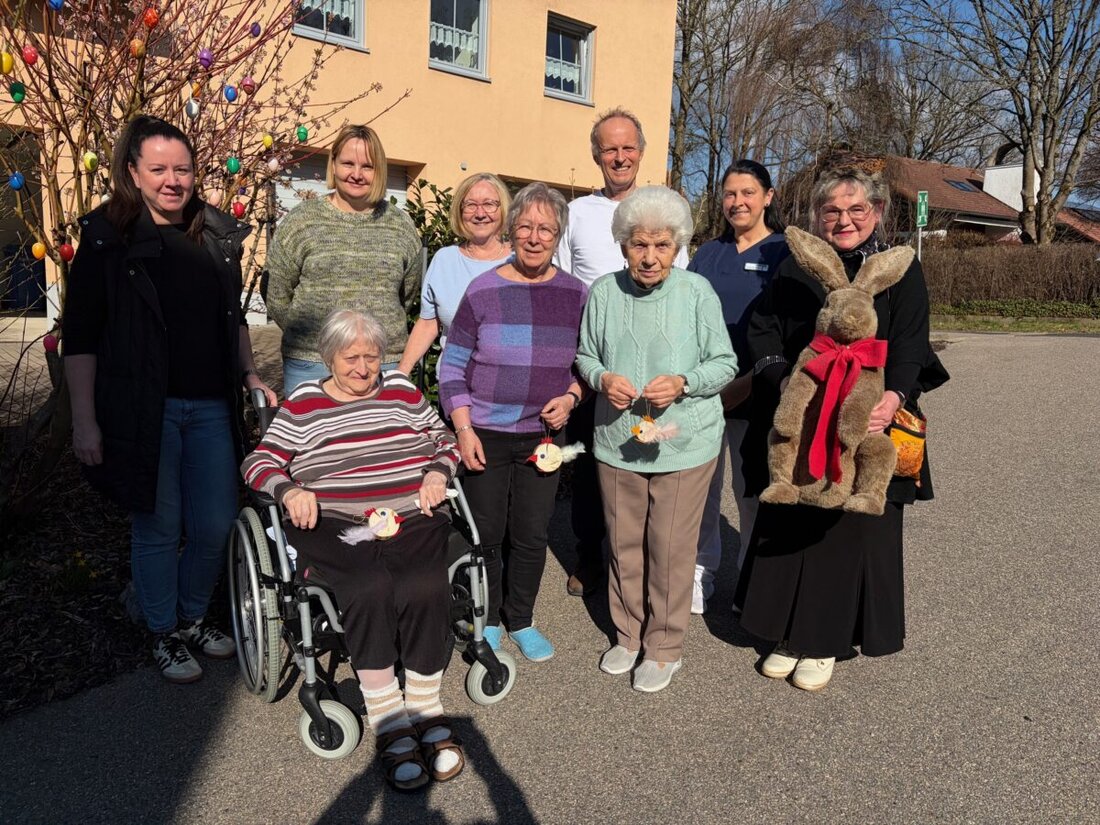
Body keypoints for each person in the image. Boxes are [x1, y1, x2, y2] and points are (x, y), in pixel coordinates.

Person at [63, 115, 276, 684]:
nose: (172, 180)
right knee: (159, 525)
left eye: (182, 169)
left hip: (210, 407)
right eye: (158, 169)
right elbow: (80, 337)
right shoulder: (107, 239)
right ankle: (162, 631)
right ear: (133, 172)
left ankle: (189, 619)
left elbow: (232, 320)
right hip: (142, 410)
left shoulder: (216, 236)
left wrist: (250, 375)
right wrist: (84, 420)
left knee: (215, 523)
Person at [737, 168, 948, 692]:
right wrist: (783, 380)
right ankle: (787, 633)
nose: (844, 220)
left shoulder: (899, 270)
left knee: (849, 528)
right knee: (794, 521)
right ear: (817, 217)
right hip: (806, 417)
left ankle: (825, 639)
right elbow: (763, 330)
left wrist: (893, 397)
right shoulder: (795, 267)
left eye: (856, 210)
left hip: (868, 416)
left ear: (877, 213)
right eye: (831, 210)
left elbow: (911, 342)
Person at [242, 310, 464, 791]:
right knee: (367, 586)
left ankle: (425, 707)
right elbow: (259, 462)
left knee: (425, 583)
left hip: (410, 512)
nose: (363, 368)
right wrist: (288, 490)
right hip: (336, 521)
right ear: (329, 358)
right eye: (351, 358)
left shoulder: (401, 390)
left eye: (371, 357)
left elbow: (445, 439)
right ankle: (389, 721)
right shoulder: (304, 402)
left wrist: (437, 471)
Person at [575, 186, 737, 693]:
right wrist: (602, 378)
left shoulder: (697, 292)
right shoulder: (604, 292)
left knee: (669, 548)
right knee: (623, 543)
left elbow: (725, 363)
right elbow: (585, 356)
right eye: (639, 244)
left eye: (662, 245)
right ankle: (628, 634)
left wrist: (684, 382)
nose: (649, 257)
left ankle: (664, 646)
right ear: (623, 244)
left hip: (683, 442)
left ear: (677, 246)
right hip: (617, 440)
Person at [438, 182, 587, 663]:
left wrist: (571, 397)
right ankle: (487, 618)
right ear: (511, 229)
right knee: (486, 534)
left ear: (558, 236)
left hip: (544, 436)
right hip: (485, 433)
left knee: (531, 533)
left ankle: (520, 618)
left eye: (546, 229)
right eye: (526, 226)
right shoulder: (483, 290)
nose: (535, 237)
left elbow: (588, 366)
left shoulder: (576, 294)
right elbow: (452, 366)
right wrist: (463, 429)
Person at [554, 107, 689, 598]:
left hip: (653, 360)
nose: (619, 156)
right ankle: (592, 555)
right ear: (596, 155)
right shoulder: (576, 214)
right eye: (609, 148)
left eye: (628, 147)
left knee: (650, 458)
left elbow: (682, 283)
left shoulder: (665, 207)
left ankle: (646, 560)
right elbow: (563, 285)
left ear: (642, 152)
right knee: (593, 467)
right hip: (595, 362)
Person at [688, 160, 789, 614]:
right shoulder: (708, 254)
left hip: (756, 393)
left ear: (768, 196)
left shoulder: (784, 252)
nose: (738, 202)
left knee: (750, 492)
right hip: (705, 395)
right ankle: (700, 573)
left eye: (748, 192)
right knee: (701, 491)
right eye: (730, 194)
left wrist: (752, 380)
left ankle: (751, 580)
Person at [265, 125, 422, 393]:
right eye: (348, 163)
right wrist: (312, 336)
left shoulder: (401, 226)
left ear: (379, 171)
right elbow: (276, 293)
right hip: (312, 362)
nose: (356, 174)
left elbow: (407, 295)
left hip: (381, 363)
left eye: (367, 166)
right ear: (334, 164)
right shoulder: (302, 221)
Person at [397, 173, 512, 375]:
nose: (480, 213)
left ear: (503, 209)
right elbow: (428, 322)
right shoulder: (445, 260)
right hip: (454, 382)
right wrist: (401, 374)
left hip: (510, 384)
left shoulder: (520, 260)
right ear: (460, 211)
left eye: (489, 204)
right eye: (471, 205)